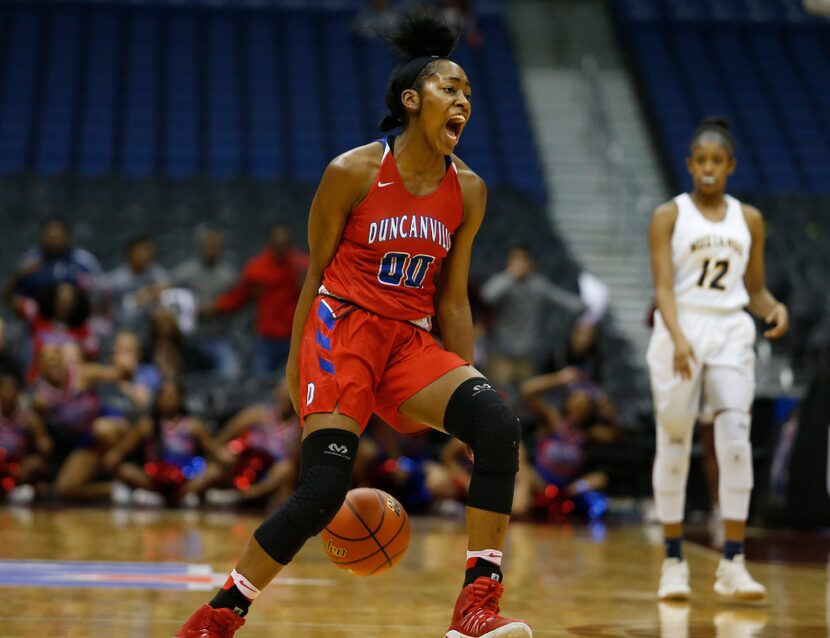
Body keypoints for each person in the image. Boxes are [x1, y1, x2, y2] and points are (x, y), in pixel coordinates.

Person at [175, 6, 532, 637]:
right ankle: (218, 618)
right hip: (341, 331)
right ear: (412, 99)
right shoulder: (353, 172)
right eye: (451, 89)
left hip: (408, 341)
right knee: (322, 490)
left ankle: (474, 610)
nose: (464, 101)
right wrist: (296, 367)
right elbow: (312, 278)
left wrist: (466, 383)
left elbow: (452, 300)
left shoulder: (469, 189)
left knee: (498, 424)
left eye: (469, 92)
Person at [647, 117, 788, 602]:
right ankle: (672, 562)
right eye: (700, 161)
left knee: (734, 439)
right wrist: (678, 335)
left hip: (730, 330)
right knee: (676, 439)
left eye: (717, 161)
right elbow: (663, 287)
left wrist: (774, 309)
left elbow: (755, 289)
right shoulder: (670, 215)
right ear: (689, 165)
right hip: (681, 327)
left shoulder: (748, 219)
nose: (708, 169)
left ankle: (733, 560)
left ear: (730, 166)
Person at [105, 379, 232, 507]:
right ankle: (156, 494)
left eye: (172, 396)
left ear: (180, 399)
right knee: (126, 471)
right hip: (154, 478)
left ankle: (184, 494)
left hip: (186, 477)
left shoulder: (192, 425)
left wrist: (225, 457)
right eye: (165, 396)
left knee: (215, 471)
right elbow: (122, 450)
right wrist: (113, 458)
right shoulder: (147, 425)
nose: (168, 401)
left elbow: (213, 449)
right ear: (158, 399)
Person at [210, 224, 308, 376]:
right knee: (260, 381)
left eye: (283, 244)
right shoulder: (256, 268)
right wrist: (217, 306)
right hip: (266, 337)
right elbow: (239, 297)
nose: (280, 248)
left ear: (290, 244)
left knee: (296, 381)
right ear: (269, 244)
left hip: (294, 336)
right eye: (277, 244)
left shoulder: (303, 267)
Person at [480, 245, 583, 389]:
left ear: (531, 263)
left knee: (525, 394)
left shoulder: (538, 284)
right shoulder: (503, 281)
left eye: (524, 260)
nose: (520, 264)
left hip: (527, 353)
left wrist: (585, 306)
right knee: (499, 392)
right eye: (516, 260)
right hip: (501, 352)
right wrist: (509, 275)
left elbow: (562, 299)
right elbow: (488, 296)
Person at [205, 378, 301, 510]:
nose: (285, 399)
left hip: (271, 479)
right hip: (243, 471)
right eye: (282, 394)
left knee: (286, 469)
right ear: (275, 393)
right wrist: (222, 454)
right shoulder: (255, 414)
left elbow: (298, 463)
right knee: (218, 464)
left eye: (290, 396)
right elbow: (220, 440)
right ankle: (185, 492)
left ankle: (241, 497)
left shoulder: (299, 426)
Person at [169, 226, 240, 379]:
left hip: (220, 338)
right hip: (191, 339)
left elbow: (238, 301)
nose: (210, 250)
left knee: (232, 374)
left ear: (220, 249)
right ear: (200, 248)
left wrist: (216, 307)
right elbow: (168, 289)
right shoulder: (187, 271)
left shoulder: (229, 274)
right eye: (207, 247)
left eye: (214, 247)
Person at [3, 217, 103, 306]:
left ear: (67, 237)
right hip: (36, 320)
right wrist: (20, 275)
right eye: (50, 238)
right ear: (42, 238)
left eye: (58, 238)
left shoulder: (84, 261)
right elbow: (9, 297)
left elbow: (102, 294)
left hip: (77, 322)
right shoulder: (30, 260)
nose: (54, 242)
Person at [105, 233, 169, 331]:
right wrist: (135, 299)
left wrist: (149, 293)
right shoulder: (116, 279)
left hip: (149, 329)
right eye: (142, 250)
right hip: (121, 328)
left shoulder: (156, 273)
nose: (146, 254)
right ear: (131, 252)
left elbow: (165, 287)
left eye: (149, 250)